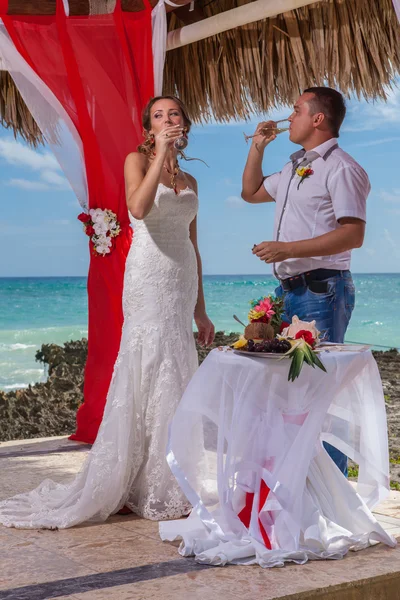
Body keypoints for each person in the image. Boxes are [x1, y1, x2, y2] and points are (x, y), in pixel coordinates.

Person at [0, 95, 214, 528]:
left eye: (174, 114)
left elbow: (193, 245)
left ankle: (167, 478)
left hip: (181, 280)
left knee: (176, 367)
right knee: (147, 363)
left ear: (185, 123)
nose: (167, 119)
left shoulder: (190, 177)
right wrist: (159, 155)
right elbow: (137, 208)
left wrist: (202, 311)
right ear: (148, 127)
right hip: (148, 276)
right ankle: (130, 478)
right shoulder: (136, 161)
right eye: (158, 116)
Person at [241, 87, 370, 476]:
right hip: (291, 292)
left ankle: (331, 495)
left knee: (322, 397)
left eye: (296, 110)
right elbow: (249, 193)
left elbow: (353, 235)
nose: (289, 116)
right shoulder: (294, 166)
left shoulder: (342, 168)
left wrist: (287, 250)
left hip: (322, 291)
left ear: (317, 119)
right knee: (293, 394)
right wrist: (258, 147)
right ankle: (299, 485)